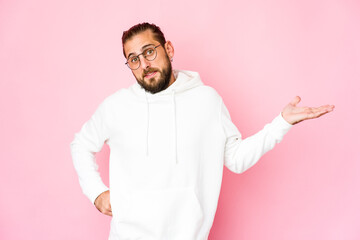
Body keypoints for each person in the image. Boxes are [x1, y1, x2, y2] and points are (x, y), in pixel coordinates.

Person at [70, 22, 334, 240]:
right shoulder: (117, 106)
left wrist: (282, 123)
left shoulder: (207, 101)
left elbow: (237, 159)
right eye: (134, 59)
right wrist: (96, 192)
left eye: (149, 52)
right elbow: (80, 145)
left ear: (168, 49)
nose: (144, 65)